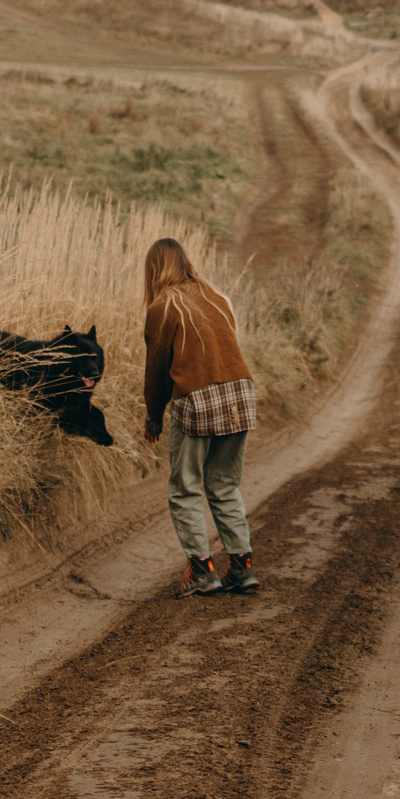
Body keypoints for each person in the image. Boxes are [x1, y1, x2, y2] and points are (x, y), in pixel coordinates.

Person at [141, 236, 259, 597]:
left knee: (185, 488)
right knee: (224, 485)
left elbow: (157, 372)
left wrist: (153, 418)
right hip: (241, 395)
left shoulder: (164, 307)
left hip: (198, 401)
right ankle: (242, 568)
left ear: (155, 268)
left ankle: (203, 571)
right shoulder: (216, 296)